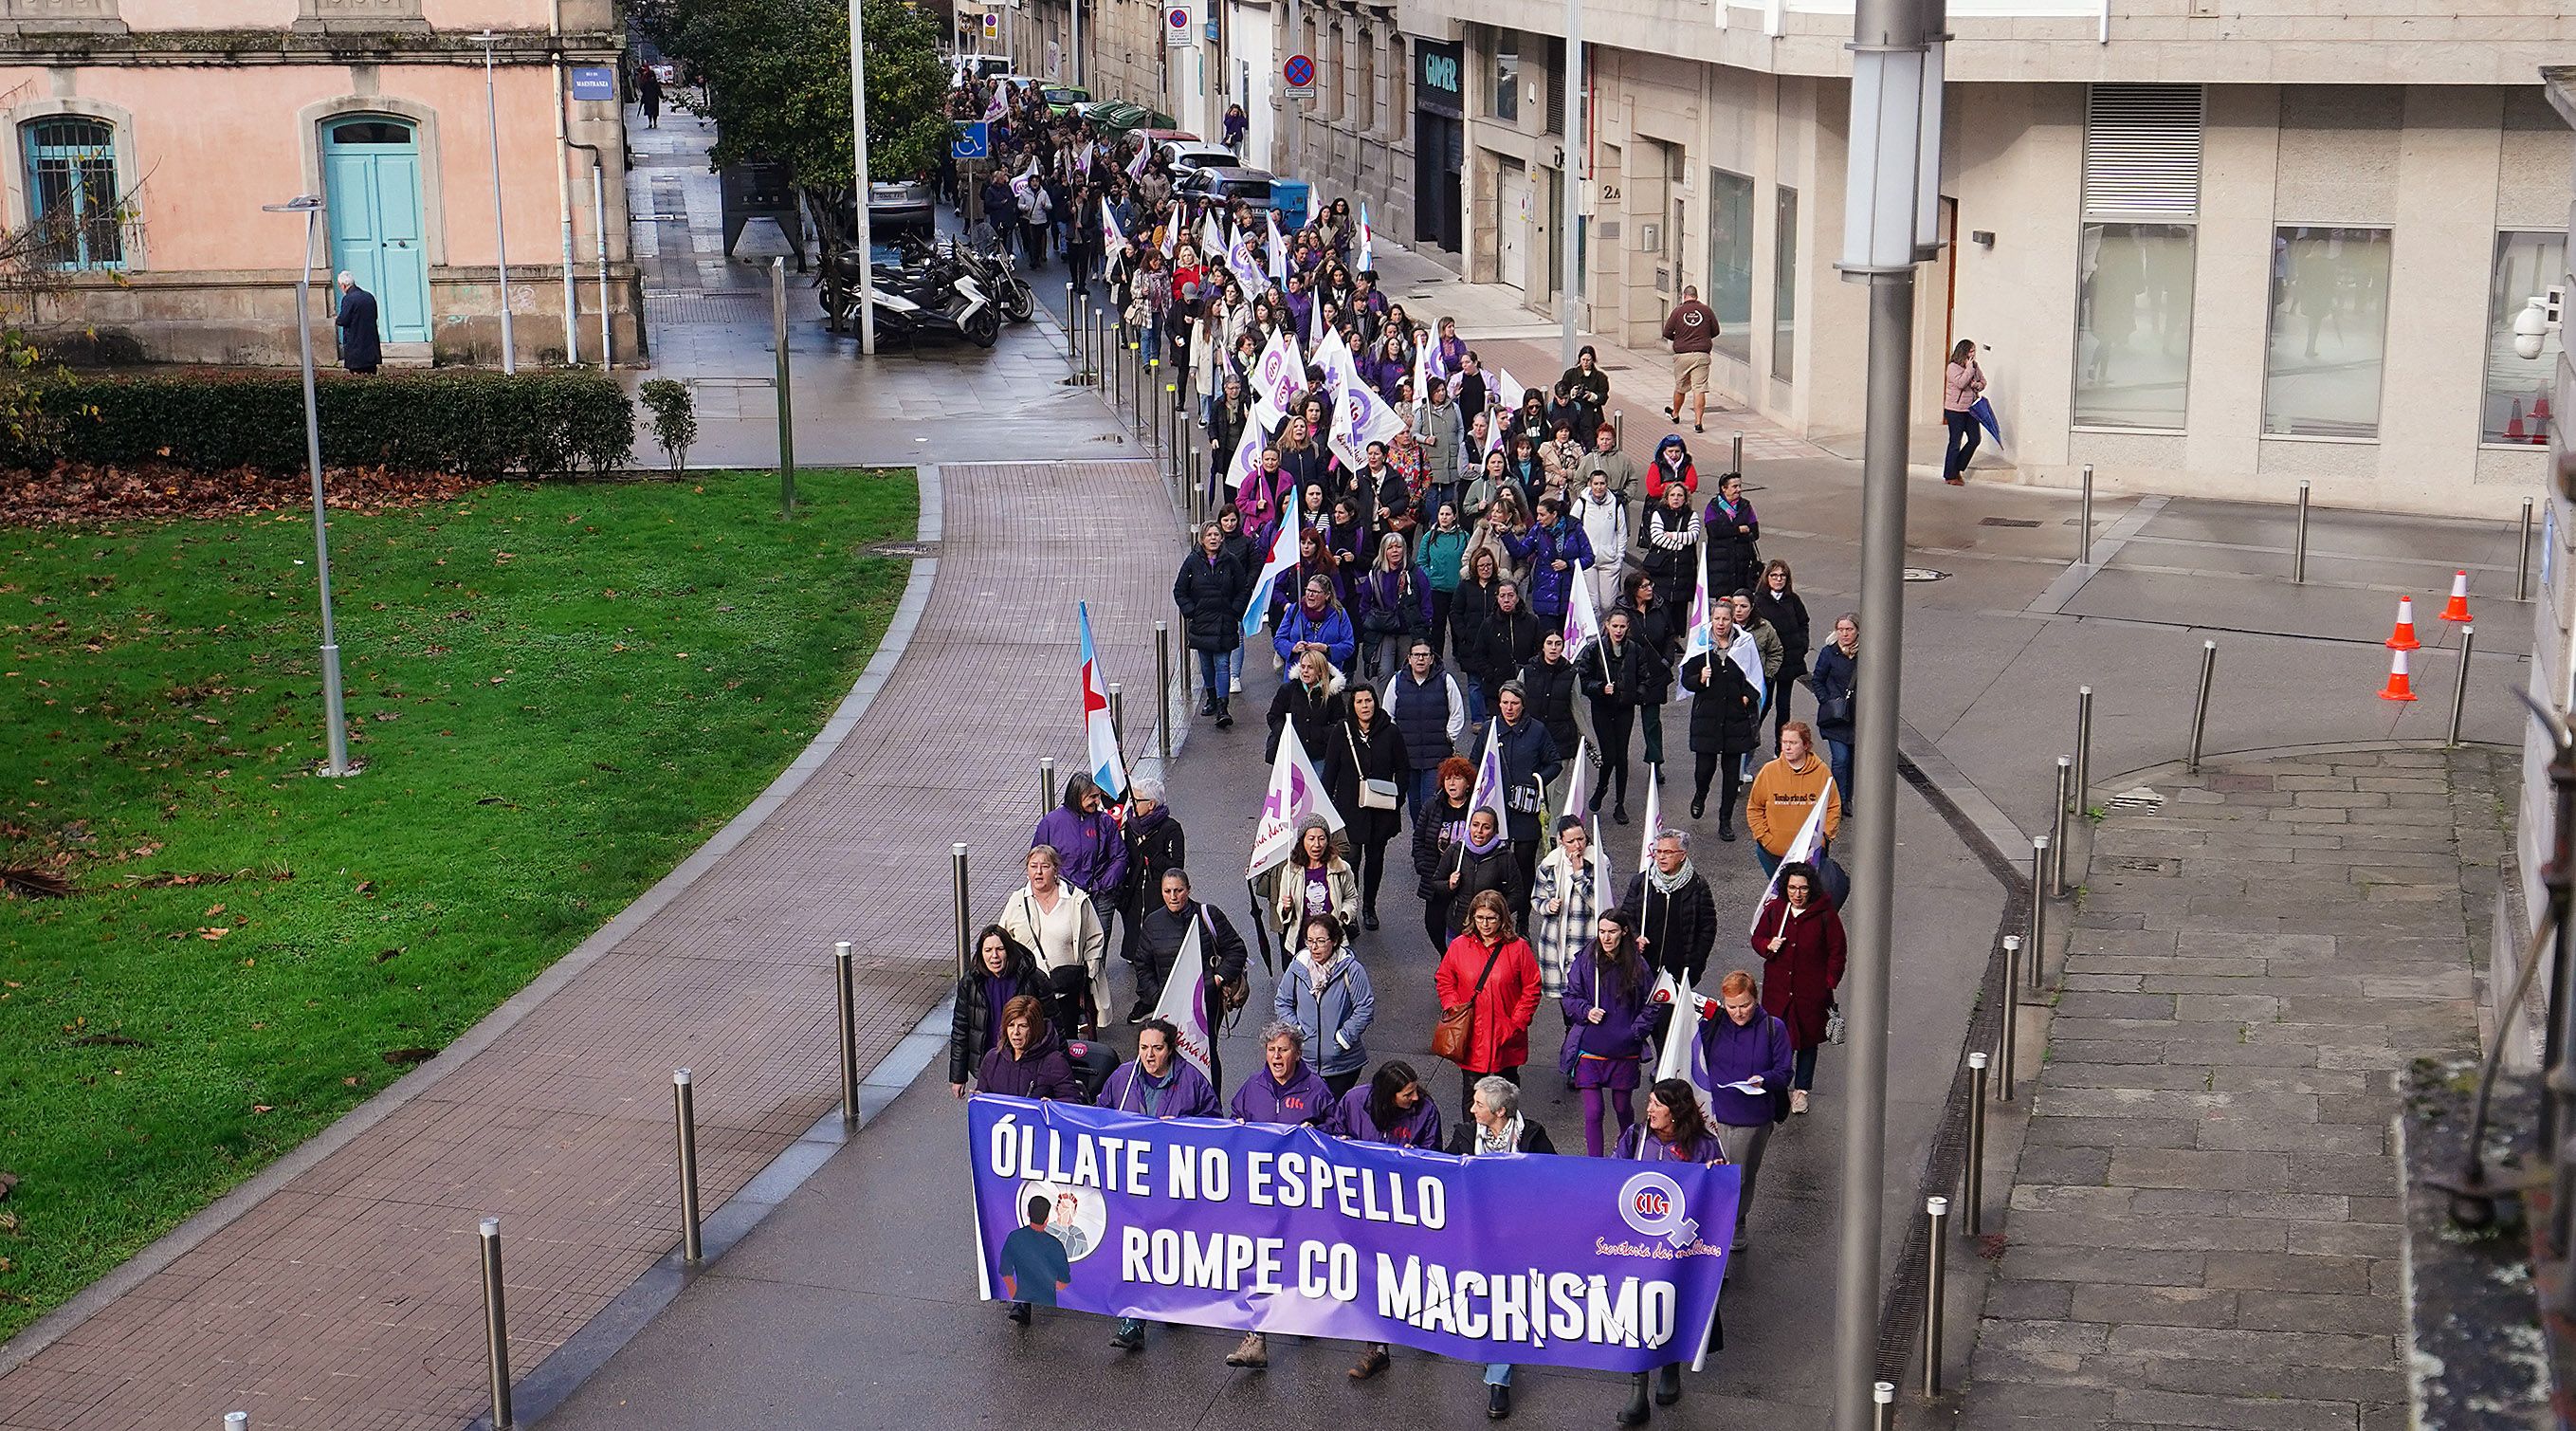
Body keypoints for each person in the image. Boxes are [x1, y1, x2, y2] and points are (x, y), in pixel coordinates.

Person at [1614, 1079, 1729, 1423]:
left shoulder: (1706, 1146)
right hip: (1638, 1245)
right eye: (1648, 1102)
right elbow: (1612, 1177)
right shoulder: (1635, 1139)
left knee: (1671, 1307)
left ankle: (1670, 1370)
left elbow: (1721, 1200)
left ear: (1675, 1111)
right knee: (1638, 1309)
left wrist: (1717, 1178)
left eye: (1656, 1104)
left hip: (1680, 1248)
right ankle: (1637, 1391)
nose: (1648, 1109)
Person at [1441, 1076, 1557, 1419]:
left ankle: (1499, 1381)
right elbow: (1440, 1169)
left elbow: (1556, 1176)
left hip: (1520, 1236)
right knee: (1485, 1298)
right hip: (1476, 1232)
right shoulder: (1465, 1135)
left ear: (1500, 1111)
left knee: (1508, 1298)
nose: (1471, 1108)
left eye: (1478, 1103)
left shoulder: (1533, 1136)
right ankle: (1496, 1357)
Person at [1225, 1022, 1335, 1368]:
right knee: (1261, 1262)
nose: (1276, 1056)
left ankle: (1305, 1312)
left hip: (1302, 1196)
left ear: (1297, 1053)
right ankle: (1256, 1338)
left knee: (1300, 1259)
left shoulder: (1316, 1089)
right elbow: (1234, 1119)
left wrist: (1316, 1133)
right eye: (1271, 1050)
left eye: (1283, 1050)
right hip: (1260, 1194)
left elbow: (1337, 1131)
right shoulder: (1253, 1086)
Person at [1687, 971, 1793, 1248]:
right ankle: (1709, 1222)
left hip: (1752, 1118)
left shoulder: (1774, 1028)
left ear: (1755, 999)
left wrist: (1764, 1080)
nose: (1738, 1012)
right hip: (1713, 1114)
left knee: (1741, 1176)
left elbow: (1783, 1072)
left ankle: (1736, 1222)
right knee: (1707, 1171)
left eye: (1744, 1005)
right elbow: (1694, 1054)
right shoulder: (1714, 1025)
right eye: (1731, 1006)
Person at [1127, 869, 1250, 1072]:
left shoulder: (1209, 915)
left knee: (1204, 1055)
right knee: (1168, 1057)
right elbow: (1143, 965)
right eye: (1167, 891)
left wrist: (1216, 980)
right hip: (1169, 1005)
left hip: (1205, 1002)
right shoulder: (1152, 923)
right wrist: (1158, 996)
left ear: (1188, 890)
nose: (1173, 897)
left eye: (1178, 890)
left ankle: (1210, 1099)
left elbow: (1236, 950)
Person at [1752, 862, 1846, 1115]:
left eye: (1803, 888)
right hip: (1778, 991)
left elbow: (1838, 952)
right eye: (1792, 888)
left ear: (1811, 889)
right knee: (1777, 1040)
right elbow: (1757, 938)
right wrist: (1767, 945)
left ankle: (1801, 1091)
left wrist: (1828, 982)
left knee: (1807, 1043)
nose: (1797, 893)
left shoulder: (1826, 915)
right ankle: (1777, 1088)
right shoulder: (1774, 911)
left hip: (1811, 994)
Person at [1435, 890, 1543, 1110]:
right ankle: (1473, 1140)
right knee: (1472, 1094)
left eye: (1491, 918)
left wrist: (1516, 1023)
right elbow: (1445, 979)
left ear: (1502, 918)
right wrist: (1454, 1008)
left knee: (1506, 1094)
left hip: (1505, 1035)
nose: (1485, 924)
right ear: (1472, 917)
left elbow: (1532, 987)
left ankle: (1506, 1140)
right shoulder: (1459, 946)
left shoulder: (1519, 948)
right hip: (1472, 1032)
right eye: (1480, 918)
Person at [1563, 908, 1656, 1155]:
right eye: (1602, 931)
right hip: (1590, 1048)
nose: (1606, 938)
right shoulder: (1586, 959)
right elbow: (1570, 996)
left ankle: (1628, 1154)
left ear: (1624, 932)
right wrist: (1585, 1011)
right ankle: (1595, 1164)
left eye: (1612, 932)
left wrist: (1636, 1031)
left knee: (1623, 1106)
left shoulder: (1637, 964)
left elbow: (1654, 1002)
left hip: (1624, 1050)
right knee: (1594, 1111)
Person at [998, 846, 1109, 1039]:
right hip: (1027, 992)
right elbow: (1002, 940)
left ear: (1056, 870)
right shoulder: (1017, 901)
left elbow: (1095, 937)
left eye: (1045, 866)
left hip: (1065, 991)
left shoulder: (1076, 900)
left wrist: (1088, 971)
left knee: (1063, 1043)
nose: (1038, 872)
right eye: (1033, 866)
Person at [1322, 685, 1407, 929]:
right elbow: (1330, 771)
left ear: (1375, 703)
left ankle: (1370, 906)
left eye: (1368, 701)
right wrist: (1327, 808)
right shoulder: (1342, 731)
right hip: (1350, 808)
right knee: (1352, 859)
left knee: (1375, 858)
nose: (1365, 706)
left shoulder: (1391, 732)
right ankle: (1352, 909)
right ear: (1353, 706)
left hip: (1382, 809)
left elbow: (1402, 768)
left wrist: (1397, 798)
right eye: (1359, 702)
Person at [1274, 908, 1376, 1095]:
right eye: (1310, 941)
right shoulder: (1298, 967)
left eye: (1320, 941)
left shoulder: (1352, 970)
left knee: (1332, 1114)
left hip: (1343, 1065)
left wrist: (1343, 1038)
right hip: (1305, 1063)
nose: (1314, 947)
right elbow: (1283, 1002)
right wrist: (1297, 1032)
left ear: (1334, 941)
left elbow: (1365, 1007)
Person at [1472, 681, 1563, 888]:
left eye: (1514, 703)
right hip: (1495, 808)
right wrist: (1484, 782)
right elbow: (1474, 762)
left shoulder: (1538, 730)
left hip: (1525, 811)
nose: (1509, 708)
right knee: (1493, 866)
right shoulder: (1489, 729)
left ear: (1523, 704)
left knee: (1524, 865)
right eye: (1505, 702)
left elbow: (1555, 763)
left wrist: (1536, 781)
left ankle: (1523, 917)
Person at [1680, 604, 1762, 835]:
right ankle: (1701, 793)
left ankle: (1725, 821)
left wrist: (1747, 696)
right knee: (1704, 768)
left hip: (1735, 718)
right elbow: (1686, 680)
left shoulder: (1744, 644)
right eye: (1717, 618)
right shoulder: (1701, 646)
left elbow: (1755, 674)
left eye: (1726, 618)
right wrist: (1699, 678)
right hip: (1707, 717)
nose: (1721, 623)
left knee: (1731, 773)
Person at [1032, 773, 1130, 955]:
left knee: (1097, 952)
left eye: (1098, 796)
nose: (1097, 801)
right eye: (1092, 797)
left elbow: (1120, 857)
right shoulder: (1051, 823)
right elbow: (1038, 859)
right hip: (1064, 898)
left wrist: (1104, 885)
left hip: (1099, 897)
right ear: (1077, 796)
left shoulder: (1105, 822)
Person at [1582, 609, 1663, 824]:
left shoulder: (1634, 649)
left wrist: (1635, 696)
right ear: (1607, 625)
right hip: (1602, 708)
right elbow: (1583, 679)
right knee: (1609, 755)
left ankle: (1620, 803)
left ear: (1628, 628)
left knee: (1622, 757)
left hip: (1624, 709)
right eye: (1615, 626)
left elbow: (1646, 678)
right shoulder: (1594, 649)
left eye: (1622, 626)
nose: (1618, 630)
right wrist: (1600, 687)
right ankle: (1601, 788)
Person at [949, 926, 1044, 1096]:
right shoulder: (971, 982)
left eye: (1000, 949)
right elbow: (960, 1029)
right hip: (990, 1065)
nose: (994, 956)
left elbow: (1054, 1025)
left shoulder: (1033, 979)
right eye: (988, 950)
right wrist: (958, 1076)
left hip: (1027, 1063)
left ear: (1009, 950)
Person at [1530, 814, 1615, 1000]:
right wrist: (1547, 906)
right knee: (1564, 999)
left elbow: (1600, 904)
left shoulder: (1599, 863)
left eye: (1581, 839)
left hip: (1584, 939)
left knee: (1585, 998)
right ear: (1561, 841)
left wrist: (1579, 875)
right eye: (1571, 841)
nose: (1577, 845)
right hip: (1555, 941)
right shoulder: (1550, 864)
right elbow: (1536, 898)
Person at [1175, 521, 1250, 727]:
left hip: (1225, 622)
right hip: (1202, 622)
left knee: (1223, 664)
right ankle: (1211, 697)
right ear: (1202, 539)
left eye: (1217, 534)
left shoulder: (1231, 562)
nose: (1213, 538)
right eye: (1209, 535)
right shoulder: (1192, 562)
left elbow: (1243, 589)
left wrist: (1234, 610)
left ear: (1222, 538)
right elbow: (1180, 591)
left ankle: (1223, 706)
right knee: (1206, 665)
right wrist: (1192, 611)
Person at [1617, 829, 1718, 982]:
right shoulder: (1642, 882)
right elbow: (1626, 916)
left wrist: (1695, 963)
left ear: (1682, 855)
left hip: (1678, 970)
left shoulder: (1697, 886)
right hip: (1642, 966)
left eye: (1669, 852)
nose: (1662, 857)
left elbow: (1707, 927)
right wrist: (1636, 937)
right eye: (1658, 851)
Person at [1745, 721, 1843, 876]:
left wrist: (1824, 838)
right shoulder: (1768, 771)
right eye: (1784, 742)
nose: (1787, 747)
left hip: (1810, 855)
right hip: (1772, 854)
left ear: (1806, 745)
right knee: (1780, 897)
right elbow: (1755, 807)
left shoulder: (1822, 772)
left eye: (1793, 743)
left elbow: (1833, 806)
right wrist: (1765, 839)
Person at [1414, 754, 1478, 952]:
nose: (1452, 782)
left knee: (1465, 928)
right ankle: (1447, 958)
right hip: (1438, 878)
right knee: (1433, 925)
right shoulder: (1432, 806)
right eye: (1448, 778)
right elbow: (1419, 840)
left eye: (1458, 778)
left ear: (1468, 784)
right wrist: (1424, 868)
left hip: (1467, 879)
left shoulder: (1475, 809)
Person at [1269, 814, 1361, 952]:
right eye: (1311, 839)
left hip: (1332, 941)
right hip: (1301, 942)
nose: (1316, 845)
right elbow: (1282, 905)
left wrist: (1343, 915)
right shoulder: (1291, 870)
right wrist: (1286, 908)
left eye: (1321, 839)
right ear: (1302, 841)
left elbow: (1351, 897)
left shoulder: (1341, 868)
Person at [1100, 1017, 1222, 1118]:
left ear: (1170, 1050)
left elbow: (1213, 1122)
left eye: (1157, 1048)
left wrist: (1182, 1125)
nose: (1149, 1055)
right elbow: (1100, 1115)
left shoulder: (1193, 1080)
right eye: (1144, 1047)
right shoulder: (1122, 1076)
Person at [1517, 631, 1583, 814]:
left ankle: (1554, 837)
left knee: (1558, 793)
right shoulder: (1527, 672)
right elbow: (1516, 704)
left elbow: (1577, 709)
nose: (1554, 648)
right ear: (1542, 646)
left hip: (1561, 741)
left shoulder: (1571, 674)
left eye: (1558, 643)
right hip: (1530, 741)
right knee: (1530, 792)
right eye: (1550, 643)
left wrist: (1586, 741)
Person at [1352, 532, 1432, 680]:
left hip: (1408, 630)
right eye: (1390, 548)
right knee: (1385, 671)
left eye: (1398, 547)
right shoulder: (1374, 575)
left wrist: (1424, 623)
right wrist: (1368, 620)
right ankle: (1385, 703)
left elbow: (1426, 601)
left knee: (1407, 672)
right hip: (1383, 630)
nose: (1395, 551)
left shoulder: (1416, 574)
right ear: (1384, 551)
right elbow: (1364, 604)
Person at [1440, 806, 1525, 945]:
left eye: (1486, 827)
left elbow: (1517, 893)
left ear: (1494, 831)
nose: (1479, 831)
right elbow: (1436, 883)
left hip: (1491, 933)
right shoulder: (1456, 850)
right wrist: (1449, 885)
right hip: (1458, 928)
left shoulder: (1504, 856)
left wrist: (1495, 912)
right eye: (1475, 825)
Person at [1752, 560, 1811, 751]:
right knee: (1764, 704)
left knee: (1783, 707)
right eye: (1774, 575)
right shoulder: (1758, 601)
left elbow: (1804, 623)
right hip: (1767, 664)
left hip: (1789, 662)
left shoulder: (1793, 600)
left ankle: (1781, 747)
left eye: (1782, 576)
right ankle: (1749, 742)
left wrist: (1802, 645)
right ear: (1767, 578)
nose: (1778, 579)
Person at [977, 993, 1082, 1099]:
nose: (1015, 1032)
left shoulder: (1054, 1061)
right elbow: (982, 1101)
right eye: (1011, 1025)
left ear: (1035, 1028)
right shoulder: (992, 1058)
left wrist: (1052, 1105)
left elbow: (1073, 1101)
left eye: (1023, 1026)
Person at [997, 1192, 1072, 1326]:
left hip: (1022, 1292)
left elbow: (1005, 1269)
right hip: (1048, 1301)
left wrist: (1012, 1290)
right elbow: (1064, 1282)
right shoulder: (1055, 1245)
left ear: (1027, 1213)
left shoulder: (1015, 1237)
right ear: (1047, 1218)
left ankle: (1021, 1304)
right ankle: (1023, 1304)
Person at [1266, 645, 1346, 761]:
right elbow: (1273, 717)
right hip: (1290, 753)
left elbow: (1339, 723)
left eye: (1310, 667)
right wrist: (1286, 734)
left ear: (1320, 671)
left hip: (1319, 754)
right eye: (1303, 667)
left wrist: (1319, 735)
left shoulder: (1332, 694)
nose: (1305, 671)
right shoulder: (1288, 690)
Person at [1812, 615, 1859, 806]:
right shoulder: (1829, 653)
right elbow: (1817, 679)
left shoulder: (1865, 653)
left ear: (1857, 631)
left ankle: (1848, 799)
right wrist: (1827, 700)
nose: (1845, 634)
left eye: (1849, 629)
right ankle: (1837, 800)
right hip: (1836, 717)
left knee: (1852, 761)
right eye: (1841, 629)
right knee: (1840, 759)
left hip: (1857, 716)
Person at [1661, 284, 1718, 434]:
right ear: (1696, 296)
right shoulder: (1706, 310)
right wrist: (1702, 338)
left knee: (1680, 387)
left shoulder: (1678, 311)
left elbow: (1666, 332)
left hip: (1683, 354)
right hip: (1702, 354)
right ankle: (1698, 422)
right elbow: (1716, 331)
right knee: (1699, 388)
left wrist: (1679, 338)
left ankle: (1675, 414)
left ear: (1684, 296)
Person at [1274, 571, 1356, 671]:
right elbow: (1279, 640)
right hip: (1297, 673)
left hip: (1327, 674)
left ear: (1327, 595)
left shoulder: (1339, 613)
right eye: (1308, 590)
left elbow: (1348, 646)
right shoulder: (1294, 610)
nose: (1310, 595)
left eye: (1315, 592)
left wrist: (1327, 649)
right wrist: (1293, 647)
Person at [1577, 467, 1631, 615]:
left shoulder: (1616, 504)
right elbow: (1573, 529)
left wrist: (1619, 558)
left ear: (1607, 485)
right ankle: (1595, 637)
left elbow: (1622, 533)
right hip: (1588, 561)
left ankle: (1607, 633)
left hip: (1610, 561)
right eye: (1596, 483)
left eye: (1602, 483)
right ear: (1590, 484)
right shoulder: (1582, 503)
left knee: (1607, 604)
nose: (1599, 487)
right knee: (1592, 605)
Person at [1702, 472, 1760, 600]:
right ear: (1724, 488)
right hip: (1720, 565)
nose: (1738, 490)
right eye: (1734, 487)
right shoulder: (1713, 507)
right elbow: (1714, 531)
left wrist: (1728, 531)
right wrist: (1738, 530)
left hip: (1742, 564)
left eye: (1739, 486)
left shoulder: (1746, 506)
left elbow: (1755, 532)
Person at [1942, 338, 1986, 486]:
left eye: (1974, 350)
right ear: (1963, 351)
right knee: (1955, 441)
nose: (1973, 354)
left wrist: (1977, 385)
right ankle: (1950, 475)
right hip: (1955, 409)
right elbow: (1960, 383)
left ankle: (1958, 468)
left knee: (1975, 439)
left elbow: (1982, 381)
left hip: (1971, 409)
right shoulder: (1953, 367)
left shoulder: (1974, 365)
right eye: (1970, 350)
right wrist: (1968, 369)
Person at [1558, 344, 1611, 446]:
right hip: (1573, 413)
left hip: (1592, 415)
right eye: (1583, 360)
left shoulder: (1600, 377)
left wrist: (1593, 396)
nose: (1585, 363)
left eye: (1588, 360)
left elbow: (1604, 397)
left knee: (1591, 442)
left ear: (1593, 360)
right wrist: (1571, 393)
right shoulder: (1570, 374)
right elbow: (1561, 390)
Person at [334, 273, 381, 375]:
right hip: (371, 346)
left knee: (357, 377)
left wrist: (337, 319)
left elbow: (343, 320)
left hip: (355, 346)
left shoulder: (349, 299)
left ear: (343, 285)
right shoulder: (369, 296)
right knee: (371, 376)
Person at [636, 64, 664, 128]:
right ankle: (653, 122)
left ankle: (652, 122)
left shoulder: (646, 84)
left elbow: (642, 89)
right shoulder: (655, 84)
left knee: (650, 112)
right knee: (653, 112)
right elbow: (659, 92)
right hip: (653, 100)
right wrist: (662, 96)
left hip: (649, 99)